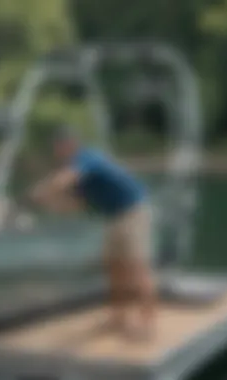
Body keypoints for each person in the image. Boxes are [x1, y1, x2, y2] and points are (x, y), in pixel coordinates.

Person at [30, 125, 156, 340]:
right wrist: (47, 204)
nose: (57, 152)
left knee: (137, 268)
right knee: (113, 267)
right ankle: (118, 317)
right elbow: (75, 205)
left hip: (134, 212)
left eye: (59, 147)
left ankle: (147, 324)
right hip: (113, 217)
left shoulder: (88, 158)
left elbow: (62, 181)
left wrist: (42, 190)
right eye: (55, 148)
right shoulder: (77, 171)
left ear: (71, 145)